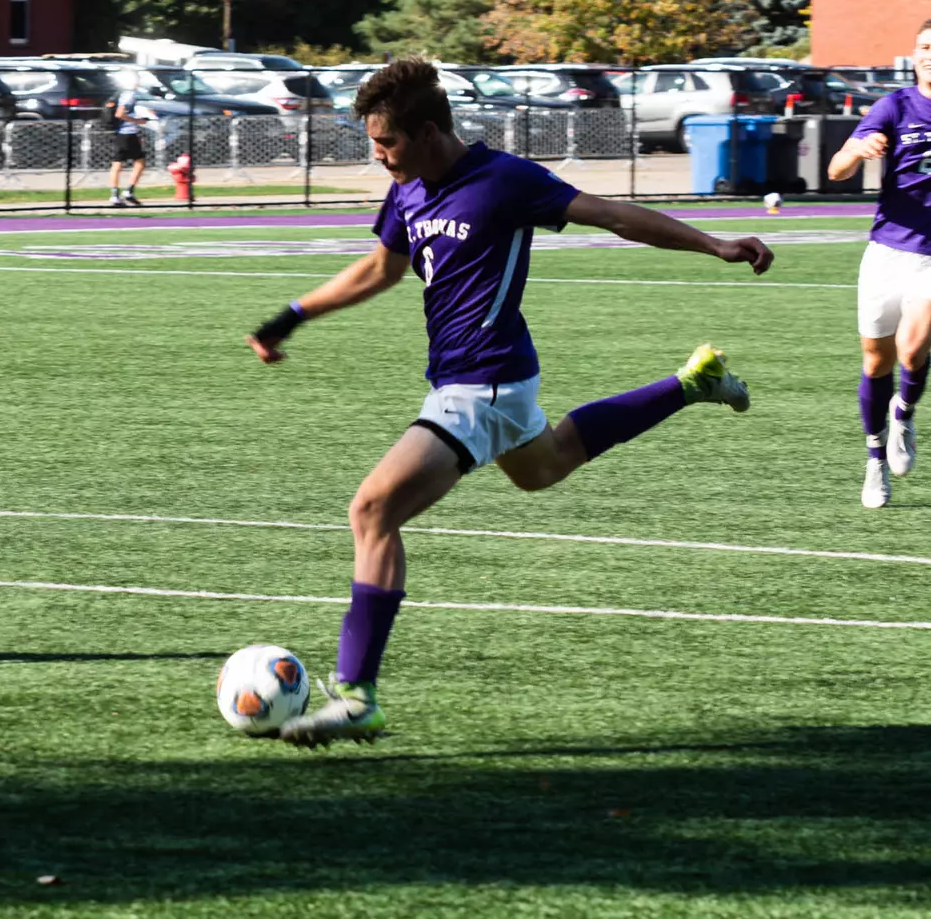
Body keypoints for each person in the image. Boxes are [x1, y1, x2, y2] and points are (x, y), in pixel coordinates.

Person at [246, 58, 773, 747]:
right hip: (478, 382)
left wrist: (714, 243)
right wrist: (290, 317)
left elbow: (610, 214)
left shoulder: (505, 180)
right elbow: (380, 269)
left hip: (484, 384)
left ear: (430, 131)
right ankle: (692, 384)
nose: (378, 157)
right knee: (546, 465)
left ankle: (355, 697)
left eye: (387, 143)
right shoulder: (408, 190)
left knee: (372, 509)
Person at [828, 19, 931, 508]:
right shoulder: (895, 106)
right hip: (887, 252)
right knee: (876, 361)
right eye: (924, 47)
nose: (929, 55)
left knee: (912, 352)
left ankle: (904, 414)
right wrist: (858, 152)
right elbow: (836, 167)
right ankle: (874, 461)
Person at [108, 82, 145, 207]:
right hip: (127, 133)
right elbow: (119, 114)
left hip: (123, 134)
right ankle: (125, 192)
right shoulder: (128, 95)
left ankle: (117, 194)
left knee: (120, 163)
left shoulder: (124, 94)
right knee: (137, 162)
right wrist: (137, 121)